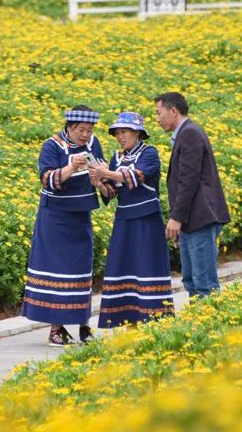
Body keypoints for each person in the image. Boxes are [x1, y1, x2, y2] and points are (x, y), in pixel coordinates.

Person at [21, 105, 104, 346]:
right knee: (57, 272)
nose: (85, 135)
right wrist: (71, 167)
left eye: (89, 130)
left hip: (81, 217)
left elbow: (103, 177)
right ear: (69, 127)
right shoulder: (52, 145)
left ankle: (84, 327)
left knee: (81, 272)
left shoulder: (93, 144)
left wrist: (99, 178)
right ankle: (55, 329)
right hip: (54, 219)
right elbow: (47, 179)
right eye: (80, 130)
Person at [88, 112, 174, 328]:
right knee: (122, 267)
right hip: (124, 221)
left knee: (147, 266)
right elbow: (111, 193)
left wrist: (106, 172)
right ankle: (126, 320)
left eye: (124, 132)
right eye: (117, 132)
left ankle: (154, 321)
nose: (120, 136)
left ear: (137, 133)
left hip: (147, 221)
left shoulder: (150, 153)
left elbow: (136, 176)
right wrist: (98, 182)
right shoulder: (116, 158)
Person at [153, 92, 230, 298]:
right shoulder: (186, 133)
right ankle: (197, 328)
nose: (157, 119)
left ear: (173, 111)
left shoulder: (190, 134)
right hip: (192, 219)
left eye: (159, 113)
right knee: (191, 282)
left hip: (200, 218)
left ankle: (210, 327)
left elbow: (189, 180)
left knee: (203, 284)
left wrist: (176, 218)